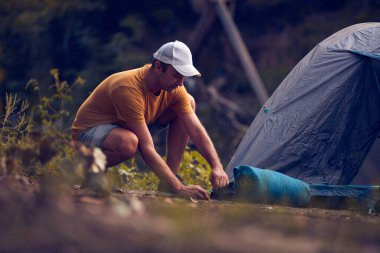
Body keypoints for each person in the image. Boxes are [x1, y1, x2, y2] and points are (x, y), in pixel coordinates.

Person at [71, 40, 229, 200]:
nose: (180, 83)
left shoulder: (176, 88)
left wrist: (217, 166)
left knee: (188, 101)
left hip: (129, 125)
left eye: (183, 77)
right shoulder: (128, 88)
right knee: (129, 142)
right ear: (158, 67)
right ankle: (89, 168)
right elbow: (146, 148)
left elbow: (196, 130)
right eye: (176, 76)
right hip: (88, 134)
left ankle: (169, 182)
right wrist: (180, 188)